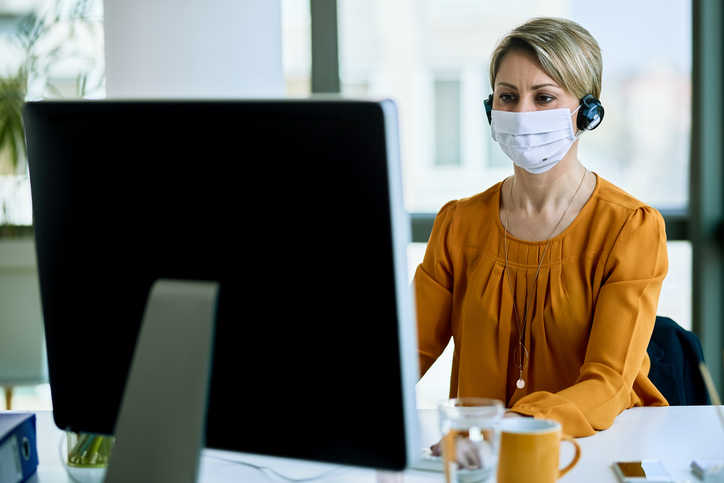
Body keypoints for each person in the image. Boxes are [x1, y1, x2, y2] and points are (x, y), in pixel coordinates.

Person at [415, 17, 669, 440]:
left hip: (597, 446)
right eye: (508, 97)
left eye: (544, 97)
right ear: (489, 109)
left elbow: (608, 382)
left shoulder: (630, 228)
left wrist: (515, 426)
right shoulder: (458, 223)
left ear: (587, 113)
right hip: (484, 457)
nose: (521, 114)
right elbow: (408, 352)